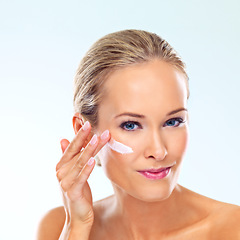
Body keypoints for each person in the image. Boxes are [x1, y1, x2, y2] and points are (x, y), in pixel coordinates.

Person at [37, 29, 240, 240]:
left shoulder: (232, 229)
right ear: (84, 133)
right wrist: (77, 227)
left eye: (173, 121)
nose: (158, 151)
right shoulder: (57, 228)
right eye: (131, 125)